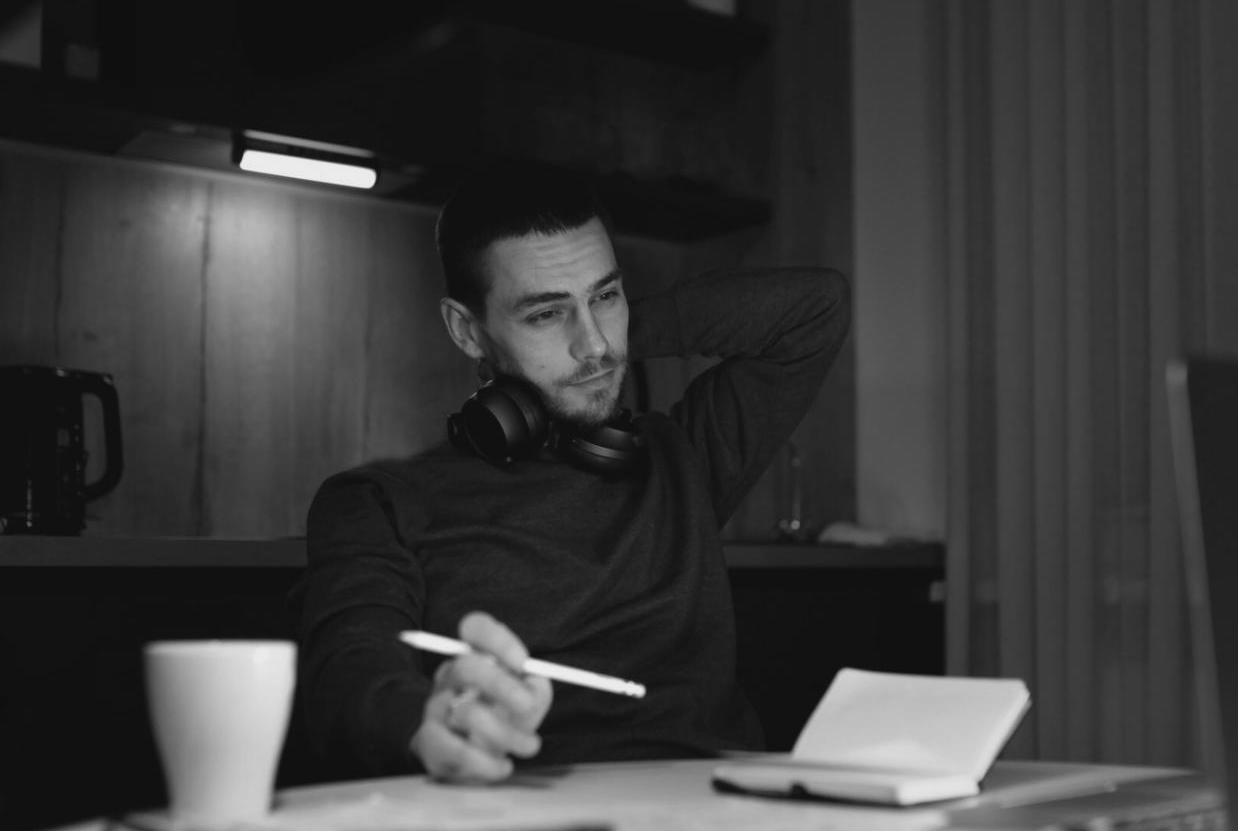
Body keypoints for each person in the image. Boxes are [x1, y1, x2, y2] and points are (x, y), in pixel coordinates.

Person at [294, 169, 849, 784]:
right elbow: (346, 671)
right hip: (529, 809)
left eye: (605, 296)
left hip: (722, 808)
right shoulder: (378, 503)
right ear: (467, 330)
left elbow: (815, 308)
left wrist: (618, 332)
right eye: (545, 313)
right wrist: (423, 720)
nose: (594, 345)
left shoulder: (679, 457)